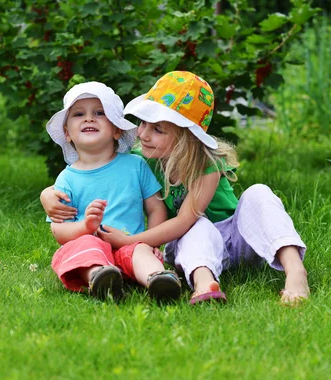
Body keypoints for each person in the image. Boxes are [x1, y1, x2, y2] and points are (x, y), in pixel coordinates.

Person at [41, 71, 310, 306]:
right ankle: (205, 283)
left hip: (237, 239)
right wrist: (47, 194)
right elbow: (95, 170)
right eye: (144, 123)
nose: (143, 134)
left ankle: (295, 270)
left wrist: (130, 241)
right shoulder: (145, 156)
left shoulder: (208, 166)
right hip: (192, 247)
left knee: (258, 192)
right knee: (198, 226)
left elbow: (183, 220)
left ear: (186, 138)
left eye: (157, 129)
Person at [45, 81, 182, 302]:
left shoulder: (135, 165)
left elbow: (156, 208)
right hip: (91, 243)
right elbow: (59, 231)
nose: (89, 118)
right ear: (67, 132)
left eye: (100, 113)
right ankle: (100, 276)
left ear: (117, 129)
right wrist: (85, 226)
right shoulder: (67, 179)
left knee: (140, 251)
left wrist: (151, 243)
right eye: (79, 114)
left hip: (128, 242)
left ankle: (157, 278)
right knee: (83, 247)